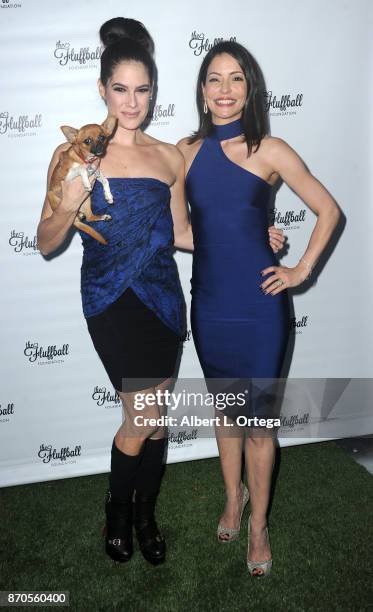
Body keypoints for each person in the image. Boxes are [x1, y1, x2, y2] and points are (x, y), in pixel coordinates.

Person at [37, 17, 283, 567]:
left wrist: (246, 238)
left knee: (158, 420)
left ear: (153, 92)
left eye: (142, 90)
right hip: (110, 299)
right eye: (120, 89)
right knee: (142, 419)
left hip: (165, 301)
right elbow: (45, 240)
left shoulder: (168, 156)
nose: (132, 101)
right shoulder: (76, 155)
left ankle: (146, 516)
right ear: (102, 89)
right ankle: (118, 513)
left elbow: (182, 234)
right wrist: (72, 201)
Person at [177, 41, 340, 577]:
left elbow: (328, 210)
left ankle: (260, 524)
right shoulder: (184, 152)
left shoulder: (270, 149)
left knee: (258, 425)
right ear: (202, 93)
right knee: (227, 417)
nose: (225, 90)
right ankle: (232, 498)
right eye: (214, 80)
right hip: (210, 306)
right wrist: (245, 234)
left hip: (260, 307)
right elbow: (183, 232)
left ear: (250, 91)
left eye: (236, 79)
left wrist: (300, 271)